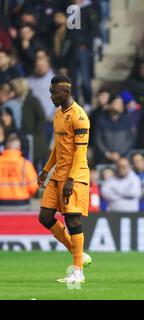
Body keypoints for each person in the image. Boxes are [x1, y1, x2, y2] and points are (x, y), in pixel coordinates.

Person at [37, 75, 92, 284]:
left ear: (66, 92)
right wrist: (45, 170)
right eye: (51, 92)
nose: (51, 96)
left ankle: (78, 271)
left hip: (74, 177)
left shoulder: (79, 117)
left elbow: (81, 151)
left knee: (72, 220)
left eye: (54, 92)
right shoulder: (58, 113)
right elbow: (58, 147)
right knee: (45, 217)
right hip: (58, 175)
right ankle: (78, 254)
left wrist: (71, 178)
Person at [0, 135, 38, 210]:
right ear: (19, 148)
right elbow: (34, 186)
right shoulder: (25, 164)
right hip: (21, 204)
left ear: (5, 148)